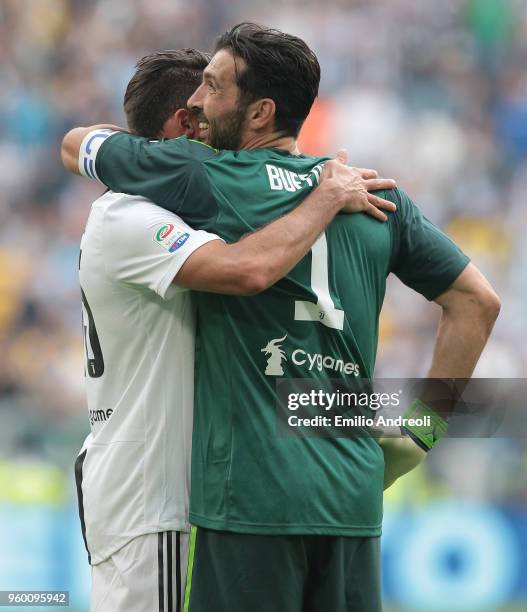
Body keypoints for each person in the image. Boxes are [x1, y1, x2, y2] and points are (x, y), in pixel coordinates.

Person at [62, 23, 500, 612]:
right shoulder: (377, 198)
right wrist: (422, 433)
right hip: (351, 494)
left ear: (260, 112)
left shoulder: (207, 180)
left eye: (213, 88)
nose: (198, 103)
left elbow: (77, 144)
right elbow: (478, 302)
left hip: (250, 495)